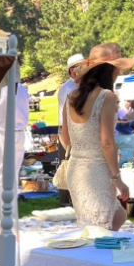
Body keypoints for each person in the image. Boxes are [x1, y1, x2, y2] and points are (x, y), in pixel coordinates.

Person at [59, 43, 134, 230]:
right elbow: (107, 143)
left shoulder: (71, 97)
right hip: (96, 170)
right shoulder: (107, 97)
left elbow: (66, 138)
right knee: (100, 232)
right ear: (109, 70)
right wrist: (117, 178)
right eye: (118, 67)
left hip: (77, 169)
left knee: (113, 217)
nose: (119, 72)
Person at [55, 53, 84, 206]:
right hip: (69, 131)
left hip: (78, 130)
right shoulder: (67, 89)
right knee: (68, 164)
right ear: (73, 71)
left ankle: (75, 198)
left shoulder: (79, 86)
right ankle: (66, 200)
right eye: (81, 67)